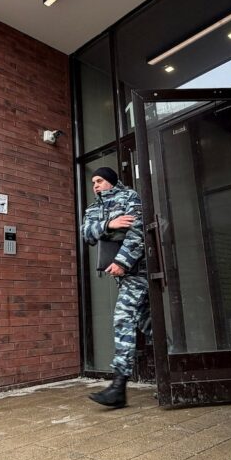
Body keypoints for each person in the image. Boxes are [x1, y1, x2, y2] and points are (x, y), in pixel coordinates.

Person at [80, 167, 150, 408]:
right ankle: (180, 371)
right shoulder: (93, 208)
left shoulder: (130, 197)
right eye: (93, 182)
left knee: (123, 317)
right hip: (122, 275)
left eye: (100, 181)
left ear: (111, 181)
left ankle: (118, 388)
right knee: (148, 324)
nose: (95, 185)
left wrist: (122, 262)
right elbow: (86, 234)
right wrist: (109, 224)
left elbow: (138, 232)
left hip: (138, 270)